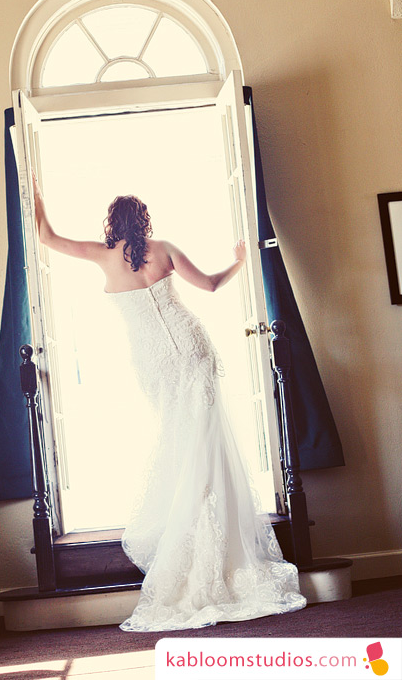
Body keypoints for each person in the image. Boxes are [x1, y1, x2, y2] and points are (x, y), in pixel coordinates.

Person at [33, 182, 307, 632]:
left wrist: (35, 192)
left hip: (155, 361)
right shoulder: (164, 249)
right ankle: (218, 546)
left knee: (183, 447)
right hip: (193, 348)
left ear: (111, 224)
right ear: (143, 220)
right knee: (207, 446)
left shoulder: (103, 256)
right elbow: (212, 284)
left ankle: (199, 544)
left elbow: (46, 236)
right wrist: (240, 260)